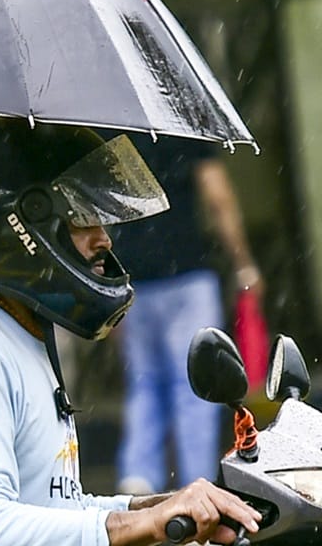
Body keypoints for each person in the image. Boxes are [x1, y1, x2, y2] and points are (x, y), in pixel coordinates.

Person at [0, 119, 261, 545]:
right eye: (84, 217)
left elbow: (56, 511)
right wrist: (139, 524)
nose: (105, 240)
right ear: (27, 226)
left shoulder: (18, 337)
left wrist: (162, 508)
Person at [110, 134, 264, 496]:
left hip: (134, 280)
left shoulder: (110, 126)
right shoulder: (179, 125)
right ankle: (197, 482)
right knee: (192, 384)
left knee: (144, 382)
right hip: (187, 273)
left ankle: (138, 477)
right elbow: (218, 195)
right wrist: (244, 263)